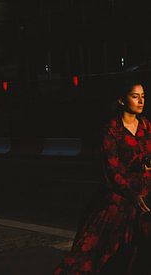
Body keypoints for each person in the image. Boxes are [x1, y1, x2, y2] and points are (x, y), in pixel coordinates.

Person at [53, 80, 151, 274]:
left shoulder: (147, 126)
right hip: (119, 199)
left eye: (143, 96)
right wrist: (132, 194)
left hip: (146, 194)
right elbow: (111, 170)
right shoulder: (111, 130)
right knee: (98, 254)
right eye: (135, 96)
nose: (141, 101)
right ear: (122, 100)